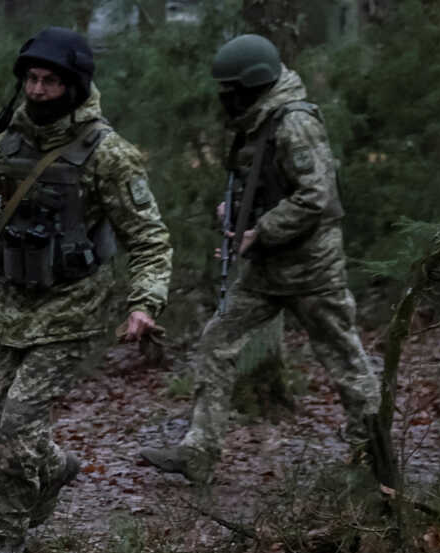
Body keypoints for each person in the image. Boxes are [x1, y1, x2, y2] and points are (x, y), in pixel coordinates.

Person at [140, 34, 391, 487]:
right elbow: (265, 184)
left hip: (312, 270)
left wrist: (263, 229)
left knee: (345, 360)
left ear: (252, 86)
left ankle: (373, 456)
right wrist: (236, 215)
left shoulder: (295, 123)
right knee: (218, 341)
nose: (224, 100)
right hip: (264, 268)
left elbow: (317, 195)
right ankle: (199, 450)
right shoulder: (257, 122)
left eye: (230, 90)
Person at [0, 27, 172, 553]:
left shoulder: (109, 155)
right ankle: (56, 467)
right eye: (31, 80)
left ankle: (6, 537)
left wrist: (144, 302)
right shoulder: (5, 144)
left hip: (72, 307)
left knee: (17, 423)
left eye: (51, 82)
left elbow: (148, 237)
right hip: (7, 303)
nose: (37, 91)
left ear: (75, 87)